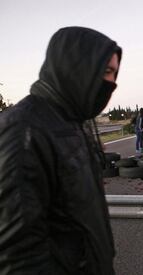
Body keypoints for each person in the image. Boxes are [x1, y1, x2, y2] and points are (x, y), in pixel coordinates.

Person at [0, 27, 121, 274]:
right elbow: (19, 257)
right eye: (106, 71)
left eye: (115, 74)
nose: (111, 83)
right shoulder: (22, 130)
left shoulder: (72, 123)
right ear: (76, 67)